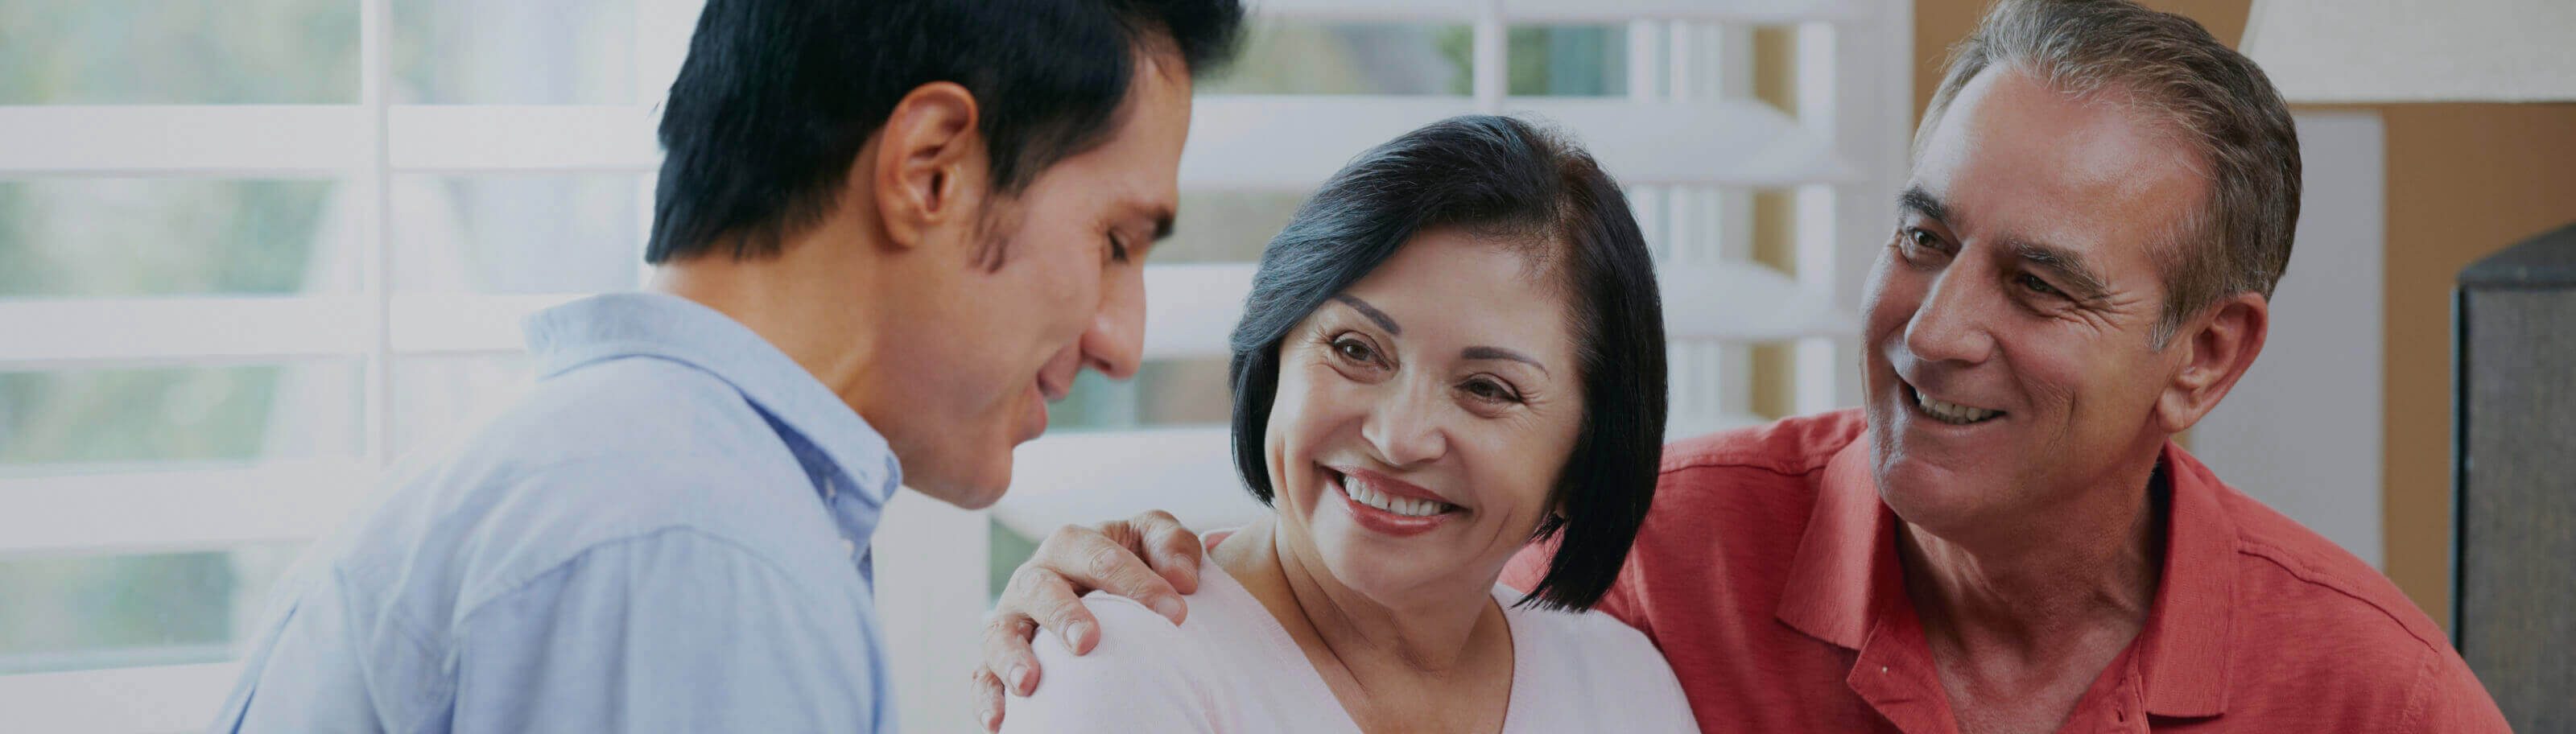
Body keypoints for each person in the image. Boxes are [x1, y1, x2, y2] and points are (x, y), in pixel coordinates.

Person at [969, 1, 2512, 732]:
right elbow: (1371, 583)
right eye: (1921, 237)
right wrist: (1101, 584)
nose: (1934, 326)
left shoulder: (2371, 696)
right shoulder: (1659, 560)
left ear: (2205, 356)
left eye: (2038, 283)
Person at [208, 0, 1241, 731]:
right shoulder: (695, 552)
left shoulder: (626, 479)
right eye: (1114, 242)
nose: (1122, 342)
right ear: (930, 170)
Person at [999, 115, 1696, 733]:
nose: (1398, 438)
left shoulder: (1625, 688)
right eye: (1355, 350)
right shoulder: (1119, 666)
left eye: (1487, 388)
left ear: (1586, 459)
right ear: (1275, 357)